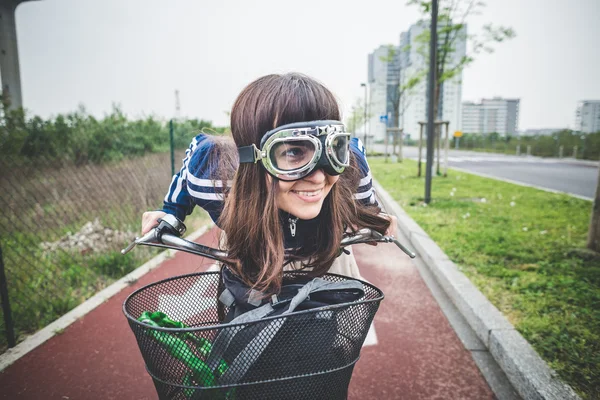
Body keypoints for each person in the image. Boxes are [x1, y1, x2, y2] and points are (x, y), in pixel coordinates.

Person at [141, 73, 395, 295]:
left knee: (340, 338)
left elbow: (369, 204)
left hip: (325, 257)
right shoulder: (211, 174)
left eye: (332, 150)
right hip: (248, 251)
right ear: (253, 157)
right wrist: (171, 212)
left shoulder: (351, 170)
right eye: (293, 152)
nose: (318, 176)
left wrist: (373, 217)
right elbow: (192, 161)